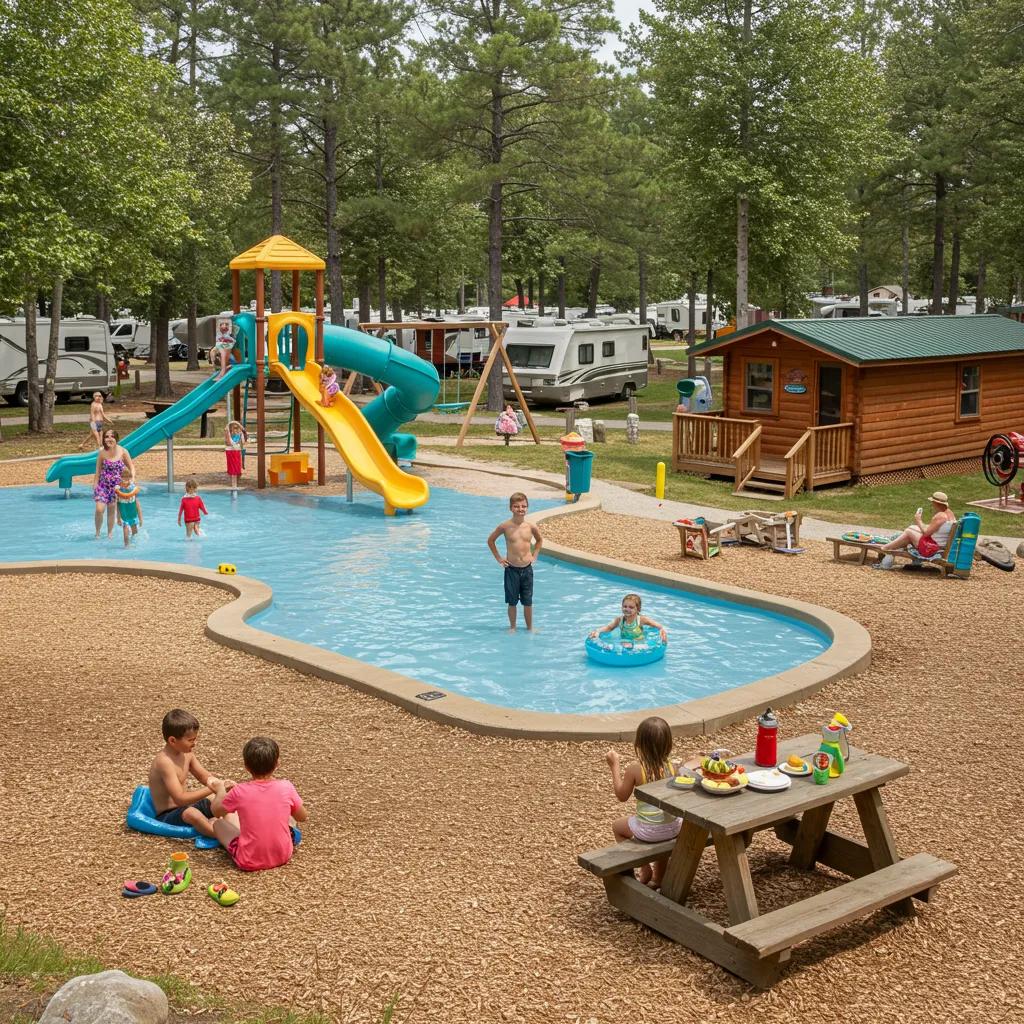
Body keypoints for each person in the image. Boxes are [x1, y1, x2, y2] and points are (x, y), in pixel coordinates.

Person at [210, 736, 308, 872]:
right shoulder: (286, 786)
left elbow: (216, 811)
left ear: (246, 766)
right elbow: (302, 816)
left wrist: (220, 790)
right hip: (283, 855)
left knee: (218, 823)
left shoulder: (239, 791)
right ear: (277, 763)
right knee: (289, 813)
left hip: (249, 860)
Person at [605, 717, 681, 888]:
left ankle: (644, 867)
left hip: (649, 831)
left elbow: (621, 796)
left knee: (618, 827)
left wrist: (614, 765)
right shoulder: (673, 767)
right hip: (674, 828)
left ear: (639, 744)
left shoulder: (635, 769)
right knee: (663, 826)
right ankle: (658, 879)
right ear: (668, 744)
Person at [148, 709, 233, 840]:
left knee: (219, 799)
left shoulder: (187, 754)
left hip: (185, 806)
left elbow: (203, 776)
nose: (194, 743)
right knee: (192, 813)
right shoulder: (164, 762)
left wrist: (219, 785)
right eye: (190, 740)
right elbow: (180, 799)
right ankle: (219, 835)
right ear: (172, 740)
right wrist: (211, 788)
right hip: (169, 814)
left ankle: (232, 825)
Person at [487, 491, 543, 630]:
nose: (520, 509)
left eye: (523, 506)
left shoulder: (530, 527)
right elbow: (491, 540)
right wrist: (499, 559)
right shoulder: (505, 526)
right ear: (511, 508)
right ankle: (513, 627)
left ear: (527, 507)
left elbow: (540, 540)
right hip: (511, 569)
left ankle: (530, 627)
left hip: (527, 568)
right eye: (516, 506)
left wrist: (535, 555)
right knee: (512, 602)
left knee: (528, 601)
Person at [875, 491, 956, 570]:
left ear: (935, 503)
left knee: (908, 532)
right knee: (911, 528)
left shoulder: (940, 516)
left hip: (931, 548)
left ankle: (885, 548)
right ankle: (889, 550)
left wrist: (918, 520)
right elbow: (935, 529)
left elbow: (926, 533)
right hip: (938, 545)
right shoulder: (950, 514)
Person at [93, 429, 135, 539]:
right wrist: (95, 485)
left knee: (111, 509)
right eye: (107, 436)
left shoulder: (123, 451)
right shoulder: (102, 453)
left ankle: (109, 533)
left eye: (112, 436)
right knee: (99, 509)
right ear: (104, 439)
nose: (109, 439)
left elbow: (131, 467)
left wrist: (132, 479)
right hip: (103, 486)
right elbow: (97, 471)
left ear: (116, 438)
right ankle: (97, 532)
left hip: (116, 487)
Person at [590, 593, 667, 645]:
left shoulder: (641, 619)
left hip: (638, 642)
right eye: (625, 606)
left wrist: (662, 631)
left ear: (638, 609)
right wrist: (597, 631)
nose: (627, 609)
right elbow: (609, 627)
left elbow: (658, 626)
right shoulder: (619, 620)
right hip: (624, 641)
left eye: (631, 607)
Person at [114, 467, 143, 547]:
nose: (125, 478)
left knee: (134, 531)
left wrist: (140, 519)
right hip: (124, 515)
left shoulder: (133, 489)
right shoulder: (118, 489)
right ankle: (126, 546)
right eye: (123, 476)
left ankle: (134, 544)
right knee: (125, 529)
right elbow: (117, 505)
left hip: (132, 513)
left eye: (127, 477)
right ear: (120, 477)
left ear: (130, 477)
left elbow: (138, 505)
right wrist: (118, 518)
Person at [225, 420, 247, 491]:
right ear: (231, 428)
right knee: (233, 470)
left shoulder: (240, 434)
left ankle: (235, 485)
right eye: (234, 428)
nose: (235, 430)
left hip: (236, 451)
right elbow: (227, 427)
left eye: (237, 428)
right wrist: (237, 424)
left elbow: (243, 442)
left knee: (237, 470)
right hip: (231, 452)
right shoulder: (228, 434)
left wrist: (241, 431)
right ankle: (234, 485)